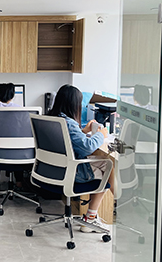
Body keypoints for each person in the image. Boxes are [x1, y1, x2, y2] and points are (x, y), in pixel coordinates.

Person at [49, 84, 114, 233]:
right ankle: (92, 217)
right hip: (71, 174)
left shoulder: (52, 118)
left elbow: (67, 142)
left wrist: (82, 131)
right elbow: (87, 147)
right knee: (108, 166)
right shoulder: (69, 123)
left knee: (103, 165)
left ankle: (92, 216)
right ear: (74, 105)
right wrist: (101, 134)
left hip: (53, 171)